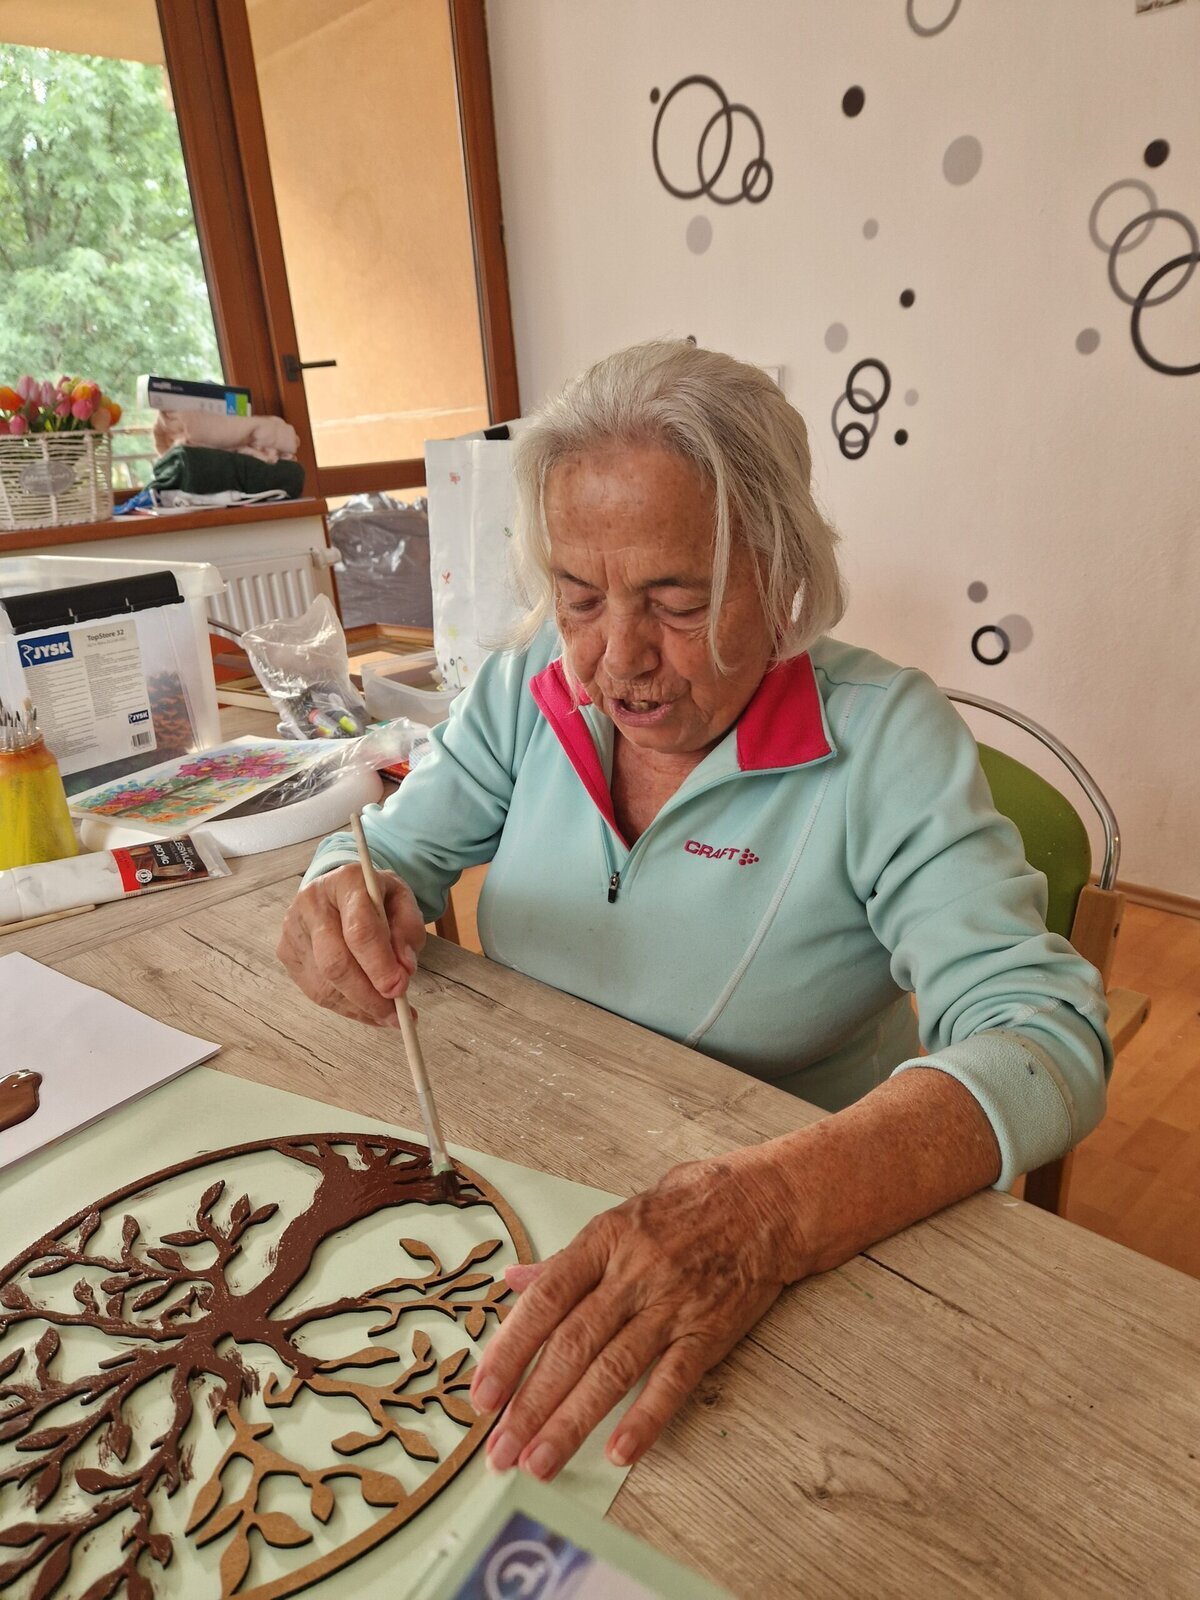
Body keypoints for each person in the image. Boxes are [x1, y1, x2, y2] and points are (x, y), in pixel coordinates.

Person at [278, 340, 1110, 1486]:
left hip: (773, 1259)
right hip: (521, 1178)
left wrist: (768, 1211)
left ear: (783, 572)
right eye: (579, 596)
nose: (615, 660)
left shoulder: (883, 743)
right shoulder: (531, 686)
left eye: (675, 601)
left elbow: (1046, 1037)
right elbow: (394, 849)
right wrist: (338, 887)